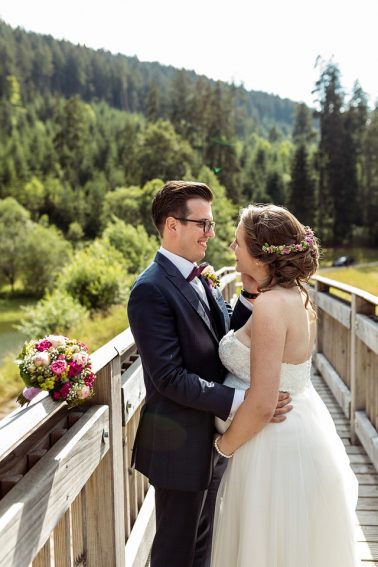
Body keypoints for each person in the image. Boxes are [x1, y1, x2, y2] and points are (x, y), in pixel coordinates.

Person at [127, 181, 292, 567]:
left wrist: (251, 297)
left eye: (212, 223)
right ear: (172, 226)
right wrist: (242, 402)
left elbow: (222, 340)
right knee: (175, 553)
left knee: (205, 548)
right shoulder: (150, 290)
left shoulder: (200, 276)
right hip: (178, 445)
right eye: (201, 224)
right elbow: (168, 377)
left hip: (214, 437)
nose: (211, 233)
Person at [210, 204, 360, 567]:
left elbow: (263, 401)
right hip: (300, 427)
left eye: (238, 244)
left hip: (270, 443)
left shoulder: (272, 306)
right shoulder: (297, 295)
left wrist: (222, 448)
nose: (232, 249)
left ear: (261, 255)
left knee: (267, 546)